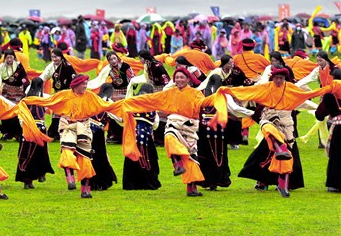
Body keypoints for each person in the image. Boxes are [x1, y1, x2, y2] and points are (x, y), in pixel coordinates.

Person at [121, 67, 229, 197]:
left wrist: (217, 97)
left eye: (182, 77)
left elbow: (202, 102)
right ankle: (177, 163)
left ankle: (192, 188)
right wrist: (130, 102)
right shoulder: (170, 93)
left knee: (191, 159)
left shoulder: (195, 93)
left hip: (190, 128)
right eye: (177, 77)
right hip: (174, 123)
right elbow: (152, 99)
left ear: (188, 79)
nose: (179, 80)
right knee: (169, 137)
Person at [224, 68, 328, 197]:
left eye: (281, 78)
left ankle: (284, 184)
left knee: (288, 155)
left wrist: (324, 92)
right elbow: (249, 92)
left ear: (285, 79)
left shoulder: (290, 89)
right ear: (272, 78)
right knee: (268, 149)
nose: (279, 80)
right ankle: (263, 181)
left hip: (286, 125)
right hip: (271, 122)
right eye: (276, 78)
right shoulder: (266, 88)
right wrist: (228, 91)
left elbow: (304, 97)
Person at [23, 75, 119, 198]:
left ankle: (85, 190)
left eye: (86, 83)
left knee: (85, 159)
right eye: (83, 84)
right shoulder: (64, 95)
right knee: (67, 151)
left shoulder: (90, 96)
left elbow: (105, 105)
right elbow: (48, 101)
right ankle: (70, 177)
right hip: (68, 125)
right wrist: (27, 101)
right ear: (75, 85)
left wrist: (125, 105)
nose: (85, 86)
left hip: (83, 127)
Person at [14, 78, 54, 189]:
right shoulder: (43, 99)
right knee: (39, 153)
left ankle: (28, 180)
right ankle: (38, 175)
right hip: (38, 129)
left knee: (28, 153)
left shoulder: (25, 100)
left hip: (28, 129)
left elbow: (20, 116)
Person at [122, 83, 161, 190]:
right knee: (148, 159)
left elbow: (122, 120)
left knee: (132, 161)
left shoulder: (131, 105)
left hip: (133, 138)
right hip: (147, 138)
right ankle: (148, 183)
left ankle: (131, 184)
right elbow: (155, 125)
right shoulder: (152, 108)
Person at [38, 48, 77, 137]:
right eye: (52, 57)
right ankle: (55, 133)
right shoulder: (50, 67)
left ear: (61, 57)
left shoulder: (68, 66)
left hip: (67, 94)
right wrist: (35, 86)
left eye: (56, 57)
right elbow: (43, 77)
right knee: (56, 113)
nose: (54, 59)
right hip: (57, 94)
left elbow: (74, 80)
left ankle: (65, 131)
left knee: (66, 114)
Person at [314, 70, 341, 192]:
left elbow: (320, 114)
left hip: (338, 127)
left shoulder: (330, 95)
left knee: (336, 155)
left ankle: (335, 184)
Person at [0, 49, 29, 141]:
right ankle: (6, 133)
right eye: (7, 58)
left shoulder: (18, 66)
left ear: (14, 57)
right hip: (6, 92)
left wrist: (27, 89)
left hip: (18, 92)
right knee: (5, 111)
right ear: (5, 58)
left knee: (16, 112)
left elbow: (24, 78)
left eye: (11, 57)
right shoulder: (2, 66)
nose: (9, 60)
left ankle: (18, 133)